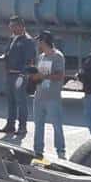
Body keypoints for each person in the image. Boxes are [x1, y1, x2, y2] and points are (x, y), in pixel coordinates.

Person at [32, 31, 67, 161]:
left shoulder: (57, 56)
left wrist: (44, 76)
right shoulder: (40, 57)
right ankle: (38, 150)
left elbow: (59, 76)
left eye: (39, 41)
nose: (38, 44)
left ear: (44, 41)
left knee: (56, 124)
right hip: (39, 95)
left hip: (52, 97)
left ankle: (61, 150)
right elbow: (38, 74)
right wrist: (34, 76)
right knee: (38, 124)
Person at [0, 16, 36, 137]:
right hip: (10, 73)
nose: (10, 28)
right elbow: (9, 53)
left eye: (13, 26)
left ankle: (22, 127)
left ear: (20, 26)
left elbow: (30, 60)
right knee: (11, 101)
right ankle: (10, 125)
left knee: (21, 102)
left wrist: (23, 75)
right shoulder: (12, 38)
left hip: (19, 75)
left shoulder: (27, 40)